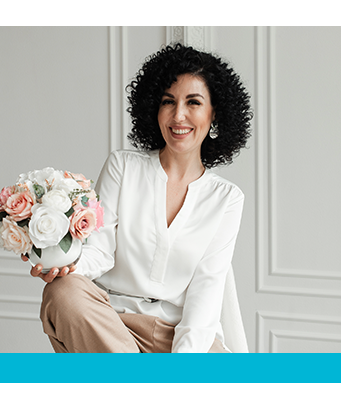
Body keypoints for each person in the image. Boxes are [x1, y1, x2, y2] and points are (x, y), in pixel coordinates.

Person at [25, 43, 252, 353]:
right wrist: (66, 264)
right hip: (111, 324)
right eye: (168, 101)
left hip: (182, 334)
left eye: (194, 102)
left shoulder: (227, 199)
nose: (179, 115)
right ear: (154, 109)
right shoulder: (123, 166)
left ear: (215, 115)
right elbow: (100, 252)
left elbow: (206, 292)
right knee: (63, 291)